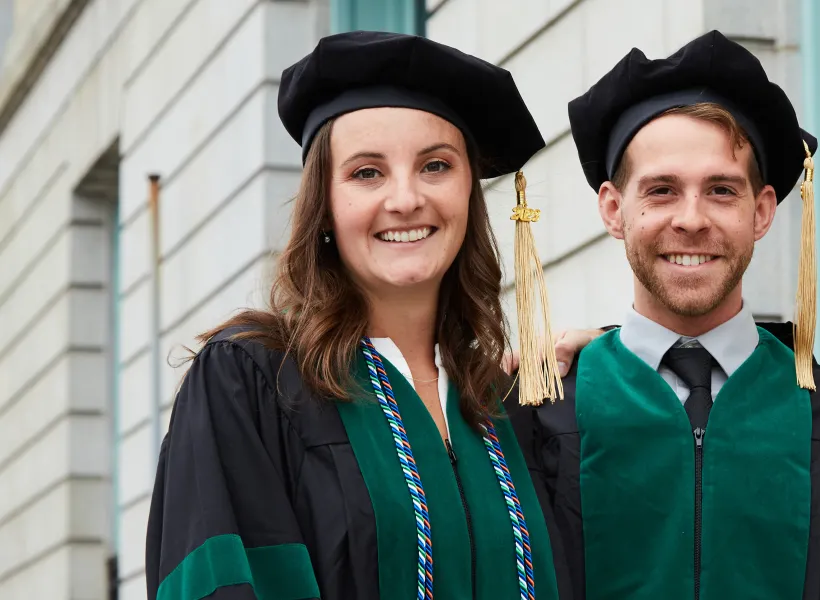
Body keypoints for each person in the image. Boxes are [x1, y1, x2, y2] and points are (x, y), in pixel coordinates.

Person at [145, 32, 563, 600]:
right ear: (325, 203)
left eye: (435, 166)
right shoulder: (253, 384)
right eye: (367, 173)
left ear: (469, 191)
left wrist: (611, 363)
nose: (405, 199)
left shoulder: (517, 406)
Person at [506, 31, 820, 600]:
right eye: (662, 191)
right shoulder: (532, 415)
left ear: (762, 211)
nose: (691, 219)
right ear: (613, 210)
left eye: (721, 190)